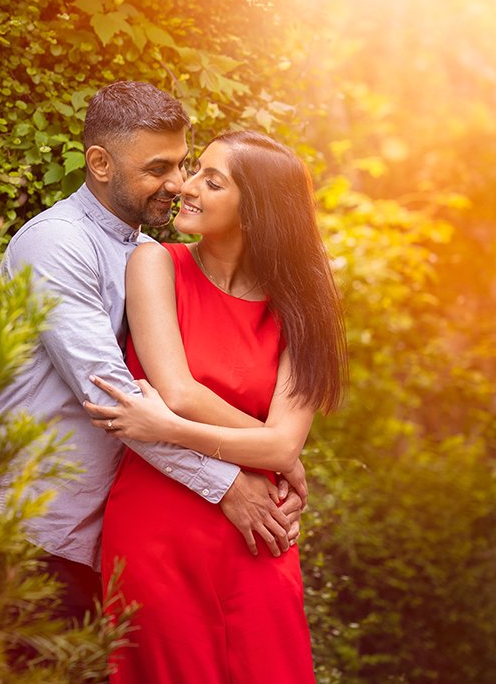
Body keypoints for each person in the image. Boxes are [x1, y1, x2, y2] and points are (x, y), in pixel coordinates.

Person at [0, 82, 306, 632]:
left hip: (110, 544)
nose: (177, 184)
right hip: (34, 530)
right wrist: (232, 483)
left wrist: (279, 451)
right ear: (100, 163)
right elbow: (113, 398)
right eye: (158, 168)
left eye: (182, 164)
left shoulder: (152, 256)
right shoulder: (57, 244)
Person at [84, 130, 348, 682]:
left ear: (256, 210)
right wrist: (276, 452)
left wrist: (171, 428)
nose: (185, 186)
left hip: (259, 536)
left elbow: (275, 439)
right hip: (158, 527)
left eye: (212, 179)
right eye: (196, 170)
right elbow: (178, 391)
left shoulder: (301, 306)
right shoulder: (155, 264)